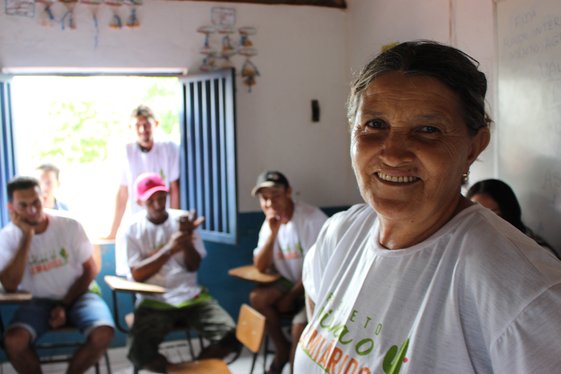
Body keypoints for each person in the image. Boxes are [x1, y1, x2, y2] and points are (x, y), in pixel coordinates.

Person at [294, 41, 561, 373]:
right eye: (375, 124)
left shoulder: (524, 294)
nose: (392, 153)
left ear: (474, 146)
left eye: (428, 130)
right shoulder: (340, 235)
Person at [119, 172, 239, 373]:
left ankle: (195, 368)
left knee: (230, 334)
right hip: (153, 300)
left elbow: (193, 266)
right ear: (140, 201)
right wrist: (170, 249)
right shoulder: (131, 229)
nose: (158, 204)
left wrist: (187, 238)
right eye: (151, 200)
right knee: (138, 350)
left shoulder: (182, 220)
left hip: (191, 296)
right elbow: (137, 275)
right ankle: (172, 370)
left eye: (162, 198)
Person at [0, 176, 115, 374]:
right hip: (37, 301)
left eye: (36, 202)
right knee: (13, 341)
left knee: (104, 332)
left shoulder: (69, 225)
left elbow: (90, 269)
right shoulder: (8, 236)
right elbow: (10, 285)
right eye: (24, 205)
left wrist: (64, 305)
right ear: (12, 208)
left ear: (43, 199)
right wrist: (27, 237)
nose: (32, 210)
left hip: (80, 294)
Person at [250, 170, 327, 374]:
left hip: (317, 288)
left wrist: (292, 296)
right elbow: (260, 265)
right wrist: (273, 232)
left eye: (275, 195)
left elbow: (320, 269)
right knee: (258, 297)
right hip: (290, 281)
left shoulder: (312, 219)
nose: (269, 202)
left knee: (298, 328)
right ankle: (281, 349)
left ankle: (293, 368)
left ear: (289, 192)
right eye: (264, 198)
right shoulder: (270, 222)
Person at [105, 104, 180, 276]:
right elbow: (123, 191)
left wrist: (174, 222)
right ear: (131, 128)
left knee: (169, 267)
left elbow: (174, 187)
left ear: (156, 124)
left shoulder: (169, 148)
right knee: (139, 269)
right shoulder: (127, 151)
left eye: (146, 125)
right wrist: (113, 230)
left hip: (164, 218)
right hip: (139, 221)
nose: (142, 130)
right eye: (138, 125)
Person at [466, 178, 560, 259]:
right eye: (476, 215)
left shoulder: (537, 254)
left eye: (493, 214)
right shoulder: (470, 249)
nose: (483, 222)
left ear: (509, 213)